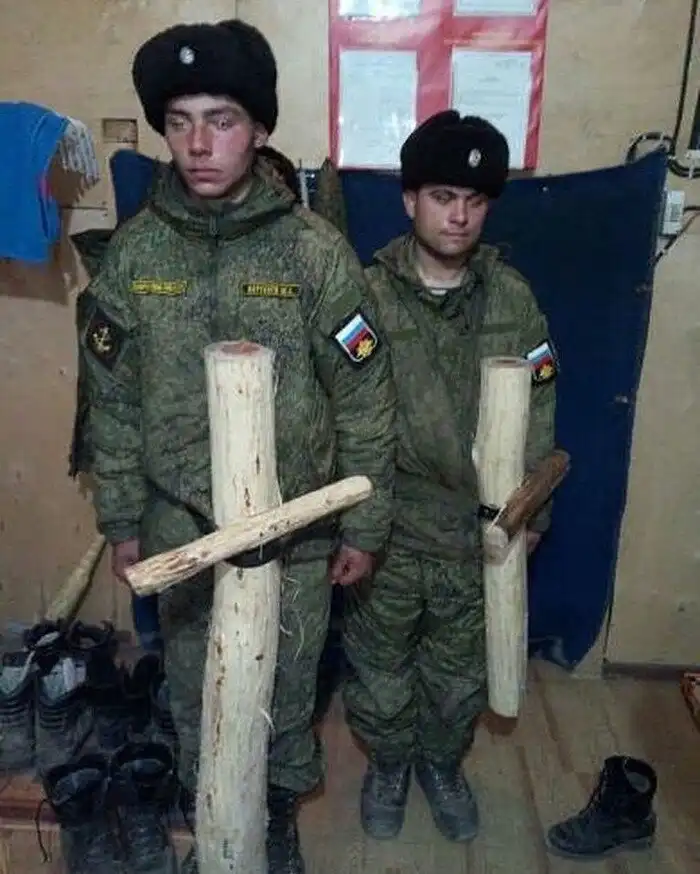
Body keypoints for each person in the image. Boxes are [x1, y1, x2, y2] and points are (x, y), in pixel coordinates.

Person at [78, 18, 396, 874]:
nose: (197, 144)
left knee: (287, 684)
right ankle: (212, 815)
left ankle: (275, 814)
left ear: (258, 129)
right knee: (193, 680)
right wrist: (122, 518)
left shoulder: (314, 254)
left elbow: (365, 395)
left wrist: (367, 524)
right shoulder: (136, 254)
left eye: (220, 120)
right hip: (181, 520)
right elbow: (110, 400)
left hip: (295, 527)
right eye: (179, 122)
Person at [342, 111, 557, 844]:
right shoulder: (364, 296)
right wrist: (357, 527)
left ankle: (440, 764)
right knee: (379, 665)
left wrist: (532, 514)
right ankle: (387, 766)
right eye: (441, 196)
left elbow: (541, 407)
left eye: (474, 199)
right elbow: (345, 415)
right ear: (410, 200)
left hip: (479, 533)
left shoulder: (512, 299)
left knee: (458, 672)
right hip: (392, 531)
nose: (458, 215)